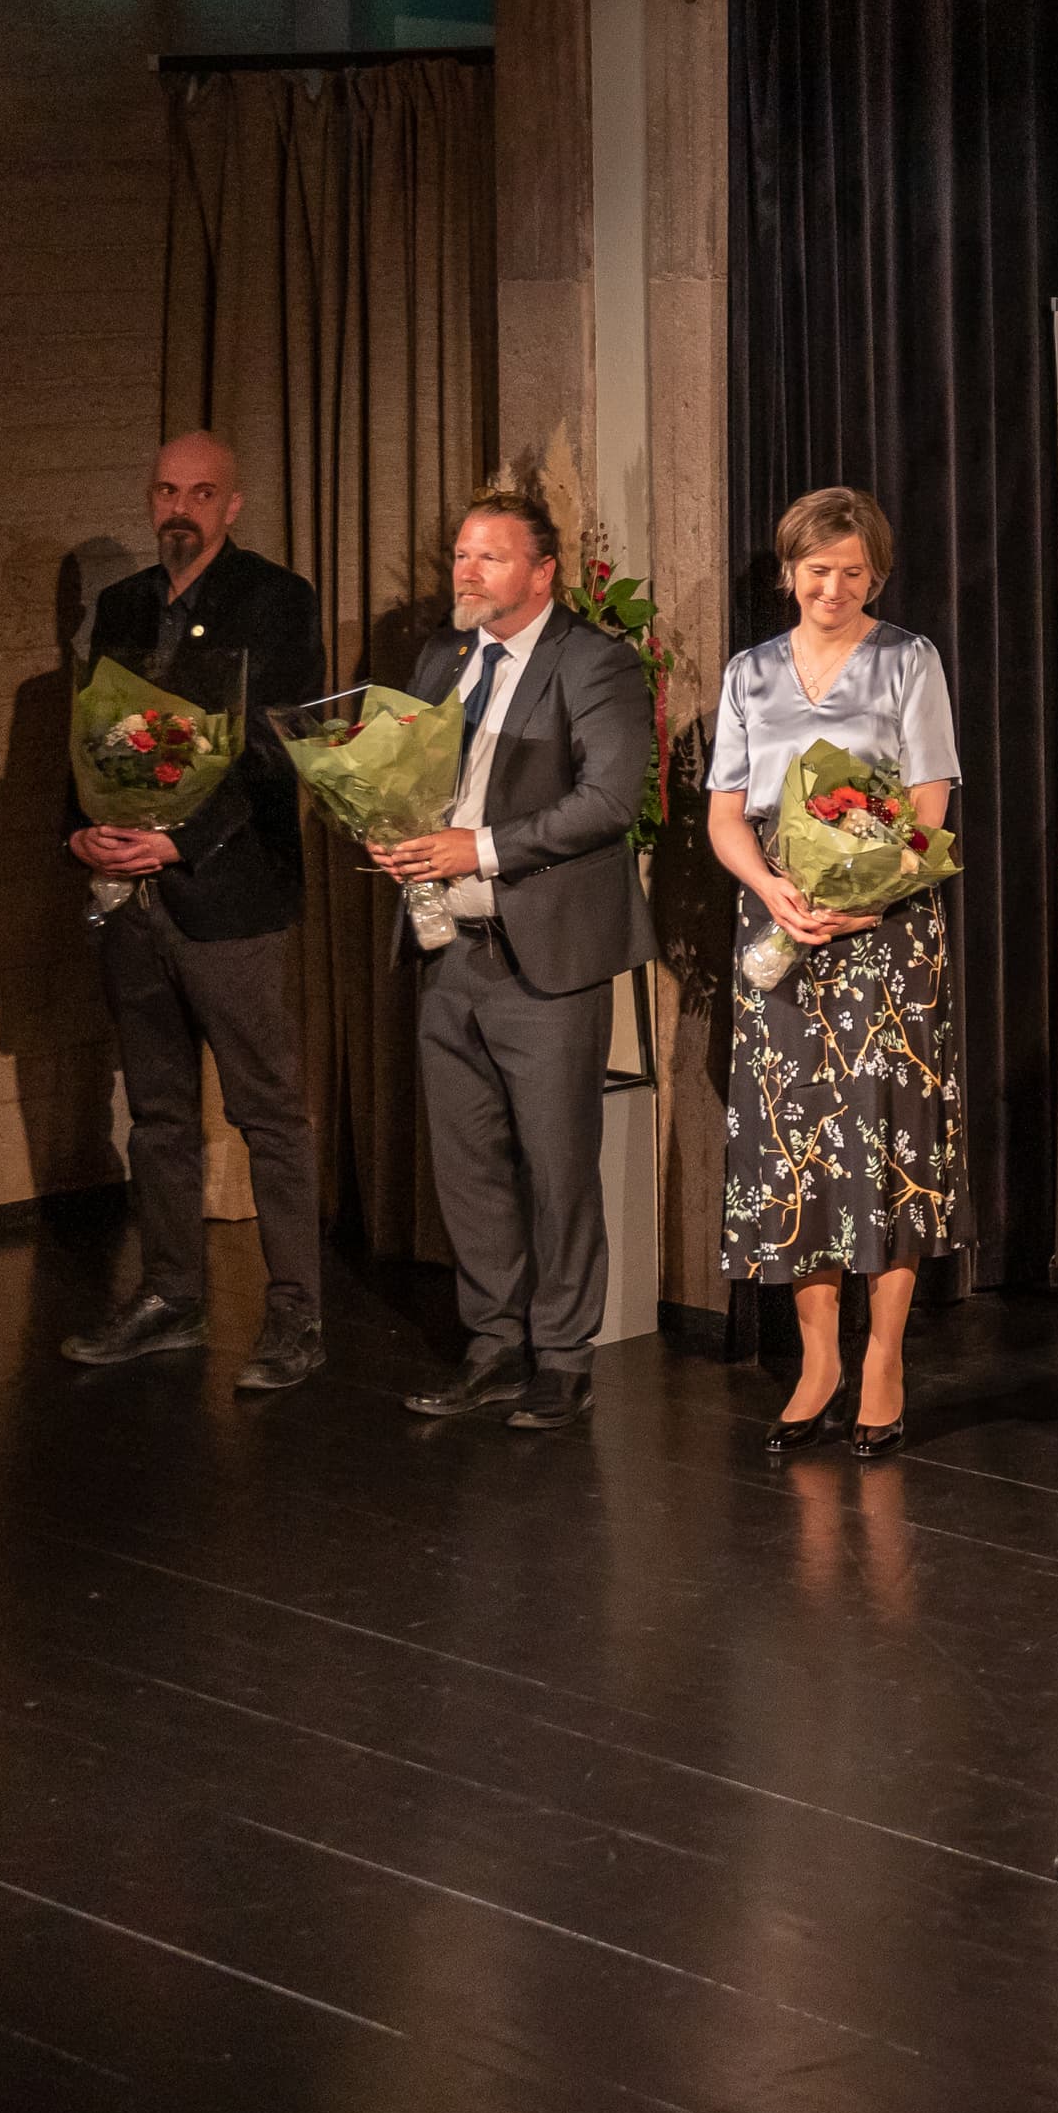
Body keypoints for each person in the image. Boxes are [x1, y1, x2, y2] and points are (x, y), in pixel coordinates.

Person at [374, 479, 657, 1433]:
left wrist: (478, 847)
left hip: (544, 954)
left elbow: (609, 800)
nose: (466, 568)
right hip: (443, 946)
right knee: (467, 1163)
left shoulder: (595, 663)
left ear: (542, 573)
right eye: (460, 552)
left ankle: (563, 1355)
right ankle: (492, 1343)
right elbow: (399, 773)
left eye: (488, 555)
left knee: (557, 1162)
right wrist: (388, 827)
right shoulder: (441, 657)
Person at [59, 431, 328, 1392]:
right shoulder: (123, 604)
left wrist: (180, 839)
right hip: (128, 899)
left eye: (201, 493)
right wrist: (83, 833)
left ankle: (295, 1312)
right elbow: (90, 733)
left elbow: (276, 744)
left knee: (267, 1113)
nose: (181, 509)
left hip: (231, 894)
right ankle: (172, 1293)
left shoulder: (276, 599)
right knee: (158, 1111)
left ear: (233, 504)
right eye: (167, 491)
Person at [705, 487, 966, 1458]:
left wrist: (873, 888)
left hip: (885, 922)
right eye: (817, 569)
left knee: (883, 1135)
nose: (833, 585)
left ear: (876, 576)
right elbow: (726, 812)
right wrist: (774, 889)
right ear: (789, 571)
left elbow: (931, 800)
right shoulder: (748, 672)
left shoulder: (909, 658)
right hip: (779, 919)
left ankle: (885, 1358)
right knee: (796, 1138)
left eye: (853, 570)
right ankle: (817, 1361)